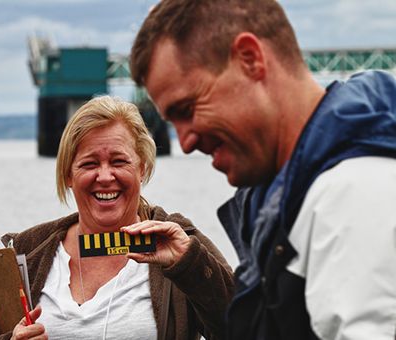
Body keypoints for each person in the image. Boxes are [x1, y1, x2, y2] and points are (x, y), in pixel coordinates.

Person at [129, 0, 396, 339]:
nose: (185, 142)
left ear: (250, 59)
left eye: (188, 108)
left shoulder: (356, 193)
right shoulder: (288, 196)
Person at [0, 96, 235, 340]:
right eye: (89, 164)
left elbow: (245, 327)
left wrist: (190, 265)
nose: (105, 177)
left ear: (142, 168)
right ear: (68, 175)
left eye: (119, 162)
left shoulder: (178, 243)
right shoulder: (29, 251)